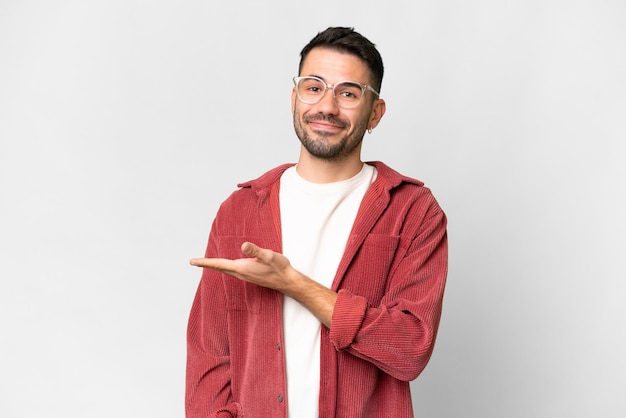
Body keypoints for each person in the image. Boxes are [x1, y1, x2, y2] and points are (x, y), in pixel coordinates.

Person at [186, 26, 448, 418]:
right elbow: (210, 357)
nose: (326, 106)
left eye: (347, 93)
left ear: (375, 113)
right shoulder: (239, 210)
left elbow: (409, 349)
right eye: (313, 87)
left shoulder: (413, 211)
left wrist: (293, 284)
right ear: (295, 98)